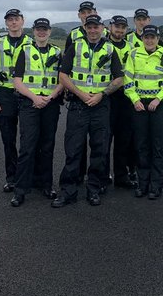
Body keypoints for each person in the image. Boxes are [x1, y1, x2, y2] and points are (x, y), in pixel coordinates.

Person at [53, 15, 123, 207]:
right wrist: (81, 94)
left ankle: (94, 188)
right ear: (85, 28)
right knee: (73, 149)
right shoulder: (75, 47)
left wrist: (102, 94)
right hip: (78, 104)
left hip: (100, 105)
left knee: (99, 150)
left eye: (96, 27)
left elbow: (119, 78)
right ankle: (68, 191)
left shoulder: (110, 49)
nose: (93, 31)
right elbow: (63, 75)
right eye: (89, 27)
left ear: (103, 28)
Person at [10, 19, 64, 207]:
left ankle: (46, 185)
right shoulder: (24, 51)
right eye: (38, 30)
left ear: (50, 32)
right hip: (29, 104)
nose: (42, 33)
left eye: (45, 30)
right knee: (27, 147)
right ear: (33, 31)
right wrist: (34, 98)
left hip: (50, 104)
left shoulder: (57, 52)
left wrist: (50, 98)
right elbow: (17, 81)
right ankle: (20, 190)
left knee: (47, 146)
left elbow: (63, 80)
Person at [124, 24, 163, 199]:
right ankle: (143, 183)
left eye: (152, 37)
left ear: (157, 38)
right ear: (142, 38)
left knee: (158, 146)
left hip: (158, 105)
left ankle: (156, 185)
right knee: (141, 145)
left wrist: (159, 98)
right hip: (139, 105)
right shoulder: (133, 54)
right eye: (146, 37)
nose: (149, 40)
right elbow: (128, 79)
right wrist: (135, 99)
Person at [0, 9, 31, 191]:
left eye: (16, 19)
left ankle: (30, 176)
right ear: (6, 23)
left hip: (27, 94)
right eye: (10, 20)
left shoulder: (31, 42)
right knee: (8, 139)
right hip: (5, 94)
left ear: (22, 21)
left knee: (29, 139)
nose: (13, 23)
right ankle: (11, 177)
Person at [64, 1, 102, 185]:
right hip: (78, 96)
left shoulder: (105, 37)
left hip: (100, 97)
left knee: (100, 143)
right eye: (83, 12)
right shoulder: (73, 36)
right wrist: (72, 91)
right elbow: (65, 68)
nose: (86, 14)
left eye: (90, 11)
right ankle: (76, 178)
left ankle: (98, 180)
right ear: (79, 16)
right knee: (75, 144)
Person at [104, 15, 136, 189]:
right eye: (117, 26)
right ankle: (103, 175)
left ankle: (121, 176)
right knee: (104, 139)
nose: (120, 30)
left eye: (123, 27)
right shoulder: (103, 46)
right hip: (107, 97)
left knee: (124, 139)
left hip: (126, 98)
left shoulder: (131, 47)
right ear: (110, 27)